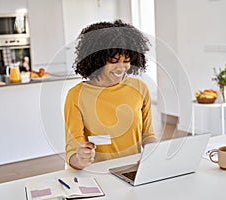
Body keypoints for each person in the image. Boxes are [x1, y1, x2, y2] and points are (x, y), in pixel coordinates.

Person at [64, 19, 157, 170]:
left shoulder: (139, 88)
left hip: (133, 171)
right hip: (97, 174)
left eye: (126, 60)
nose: (121, 68)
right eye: (113, 61)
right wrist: (80, 159)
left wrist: (154, 153)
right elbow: (72, 151)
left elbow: (147, 135)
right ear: (97, 60)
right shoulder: (76, 95)